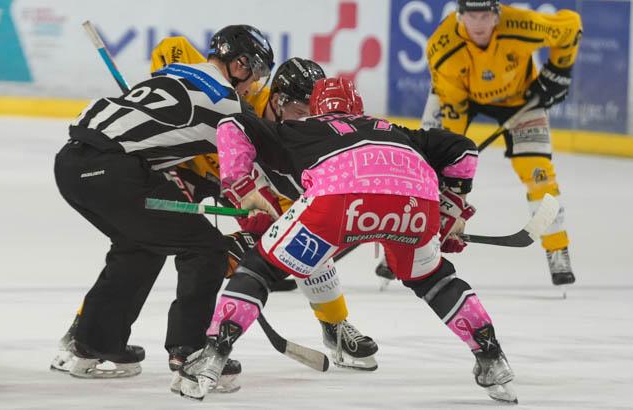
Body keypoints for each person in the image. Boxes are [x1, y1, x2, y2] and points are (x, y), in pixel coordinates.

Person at [174, 77, 519, 404]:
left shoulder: (301, 129)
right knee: (436, 279)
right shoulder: (392, 129)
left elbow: (232, 125)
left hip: (339, 204)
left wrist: (243, 189)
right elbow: (463, 150)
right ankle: (492, 359)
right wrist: (448, 212)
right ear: (359, 108)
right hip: (415, 205)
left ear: (318, 109)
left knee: (260, 269)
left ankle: (212, 356)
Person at [52, 25, 274, 381]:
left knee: (139, 246)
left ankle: (95, 342)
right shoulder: (228, 104)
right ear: (240, 64)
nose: (254, 86)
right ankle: (191, 352)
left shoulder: (173, 73)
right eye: (257, 73)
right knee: (206, 248)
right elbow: (242, 164)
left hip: (70, 164)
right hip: (113, 171)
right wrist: (249, 196)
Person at [148, 38, 380, 370]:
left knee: (305, 237)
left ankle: (335, 326)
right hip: (187, 167)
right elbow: (173, 47)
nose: (304, 122)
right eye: (299, 113)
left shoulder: (300, 144)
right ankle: (93, 329)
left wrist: (249, 243)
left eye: (312, 115)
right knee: (143, 244)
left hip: (248, 189)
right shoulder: (241, 97)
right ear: (277, 99)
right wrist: (164, 84)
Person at [416, 0, 582, 287]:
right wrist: (454, 182)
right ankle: (412, 239)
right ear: (459, 16)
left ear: (497, 15)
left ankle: (558, 249)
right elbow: (453, 127)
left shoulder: (520, 24)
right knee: (428, 165)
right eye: (471, 16)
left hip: (522, 98)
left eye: (484, 16)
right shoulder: (443, 50)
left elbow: (570, 26)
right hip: (461, 99)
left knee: (538, 174)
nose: (478, 23)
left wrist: (560, 71)